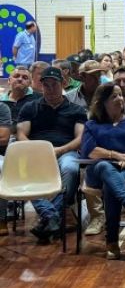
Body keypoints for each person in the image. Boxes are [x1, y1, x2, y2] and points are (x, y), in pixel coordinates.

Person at [16, 67, 86, 243]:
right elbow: (21, 135)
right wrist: (39, 150)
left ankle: (49, 217)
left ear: (62, 84)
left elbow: (80, 138)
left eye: (54, 84)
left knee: (70, 168)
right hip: (36, 152)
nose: (50, 89)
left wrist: (60, 150)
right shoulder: (30, 107)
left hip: (66, 151)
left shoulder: (76, 110)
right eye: (46, 85)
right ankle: (53, 216)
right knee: (27, 174)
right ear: (42, 86)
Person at [79, 84, 125, 257]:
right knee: (104, 166)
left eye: (120, 95)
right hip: (96, 170)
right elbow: (88, 150)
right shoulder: (92, 124)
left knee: (112, 186)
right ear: (102, 102)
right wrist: (116, 155)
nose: (119, 99)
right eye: (113, 97)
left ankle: (112, 241)